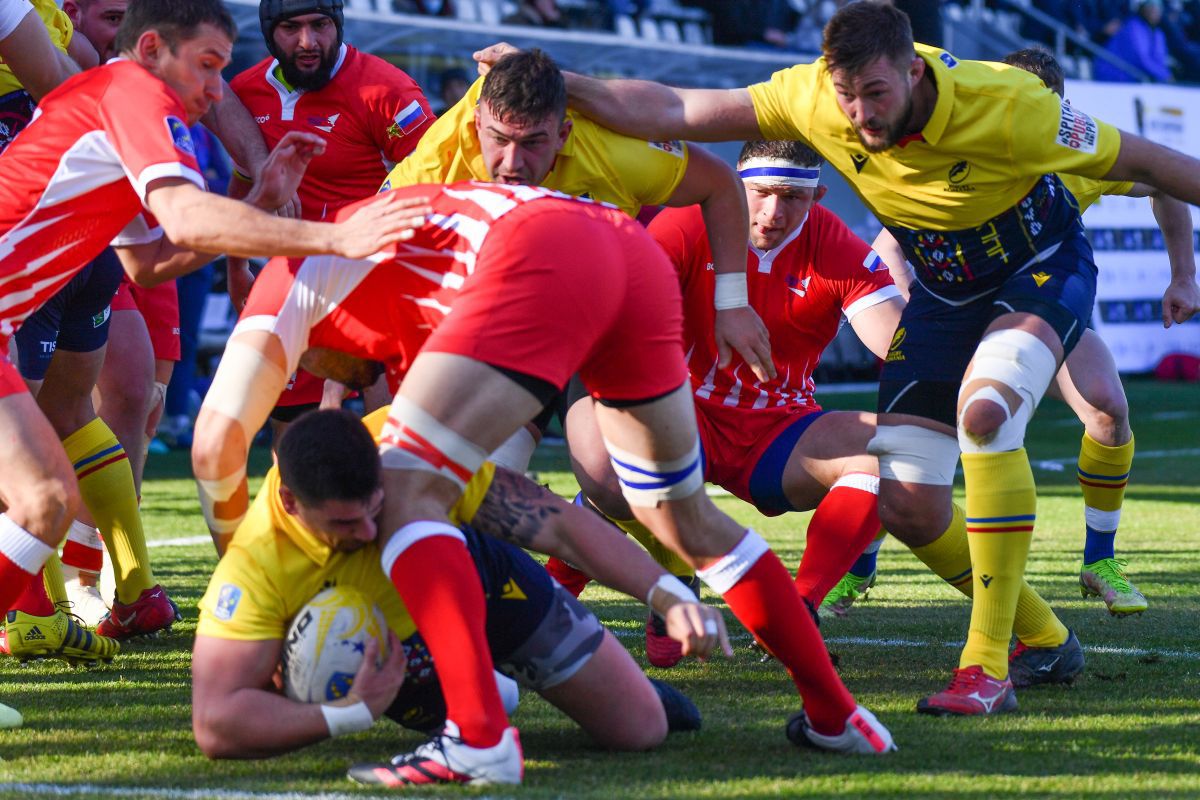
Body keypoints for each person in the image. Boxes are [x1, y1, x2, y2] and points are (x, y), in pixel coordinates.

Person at [504, 0, 1200, 716]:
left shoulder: (1012, 104)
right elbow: (678, 108)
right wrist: (567, 83)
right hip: (944, 290)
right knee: (908, 497)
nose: (860, 114)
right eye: (848, 95)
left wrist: (1186, 273)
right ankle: (1045, 637)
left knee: (987, 411)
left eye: (876, 93)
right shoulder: (807, 100)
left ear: (913, 68)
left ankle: (984, 667)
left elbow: (1151, 164)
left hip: (1039, 266)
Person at [192, 181, 897, 786]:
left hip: (544, 254)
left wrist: (231, 556)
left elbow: (215, 443)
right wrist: (668, 587)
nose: (342, 383)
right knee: (685, 519)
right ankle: (837, 714)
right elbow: (712, 173)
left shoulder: (292, 280)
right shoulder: (406, 303)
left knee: (407, 486)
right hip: (627, 249)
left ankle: (477, 737)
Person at [0, 0, 426, 666]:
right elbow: (189, 220)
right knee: (40, 500)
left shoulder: (130, 106)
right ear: (149, 49)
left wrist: (256, 205)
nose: (215, 89)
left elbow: (149, 258)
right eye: (206, 66)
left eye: (223, 70)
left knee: (43, 503)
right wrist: (333, 236)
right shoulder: (133, 93)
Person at [838, 47, 1200, 619]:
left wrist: (1184, 275)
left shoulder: (1078, 148)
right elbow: (888, 250)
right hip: (958, 311)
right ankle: (859, 566)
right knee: (919, 439)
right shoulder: (958, 144)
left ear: (1056, 110)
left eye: (1030, 107)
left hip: (1039, 305)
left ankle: (1098, 560)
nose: (1012, 117)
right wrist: (918, 326)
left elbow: (1164, 184)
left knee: (1107, 408)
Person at [192, 408, 704, 763]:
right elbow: (216, 723)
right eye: (346, 526)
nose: (371, 535)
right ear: (289, 501)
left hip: (479, 578)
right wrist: (346, 715)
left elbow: (558, 525)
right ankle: (491, 687)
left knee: (642, 730)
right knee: (488, 707)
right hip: (399, 654)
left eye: (375, 509)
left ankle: (617, 686)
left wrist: (664, 592)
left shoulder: (408, 454)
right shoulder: (256, 564)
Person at [557, 139, 903, 665]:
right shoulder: (684, 225)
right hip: (677, 411)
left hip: (776, 431)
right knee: (607, 469)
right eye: (760, 193)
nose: (773, 212)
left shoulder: (840, 247)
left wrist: (967, 355)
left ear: (820, 196)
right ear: (734, 188)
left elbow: (898, 347)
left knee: (896, 448)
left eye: (792, 197)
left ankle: (800, 608)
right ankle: (665, 576)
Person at [382, 48, 772, 386]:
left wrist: (733, 302)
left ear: (564, 133)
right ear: (477, 125)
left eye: (533, 142)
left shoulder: (613, 152)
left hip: (585, 307)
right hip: (476, 309)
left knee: (602, 469)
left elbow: (720, 184)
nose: (513, 164)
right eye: (499, 140)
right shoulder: (433, 170)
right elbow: (365, 268)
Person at [225, 0, 435, 435]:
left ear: (337, 23)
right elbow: (244, 181)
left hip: (374, 280)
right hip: (290, 287)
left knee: (391, 434)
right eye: (291, 27)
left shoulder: (387, 91)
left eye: (320, 25)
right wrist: (235, 267)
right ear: (268, 31)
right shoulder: (245, 91)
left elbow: (437, 184)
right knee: (293, 438)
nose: (307, 42)